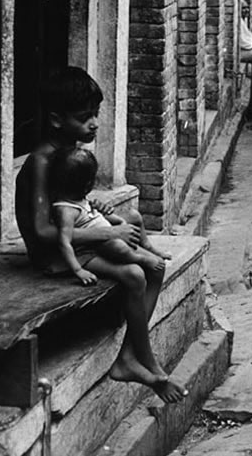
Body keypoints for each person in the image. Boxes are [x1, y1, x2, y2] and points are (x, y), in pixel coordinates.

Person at [15, 66, 188, 403]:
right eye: (84, 117)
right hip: (55, 256)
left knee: (152, 262)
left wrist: (102, 215)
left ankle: (127, 358)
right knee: (137, 274)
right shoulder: (41, 161)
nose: (94, 123)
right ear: (55, 119)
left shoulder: (69, 154)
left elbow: (71, 203)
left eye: (95, 114)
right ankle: (147, 360)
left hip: (77, 242)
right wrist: (107, 233)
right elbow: (41, 230)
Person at [49, 146, 169, 285]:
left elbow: (92, 216)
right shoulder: (66, 210)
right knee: (118, 246)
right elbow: (65, 242)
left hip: (103, 229)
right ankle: (140, 258)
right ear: (87, 184)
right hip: (92, 245)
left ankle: (149, 247)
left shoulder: (79, 197)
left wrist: (109, 215)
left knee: (134, 215)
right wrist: (78, 270)